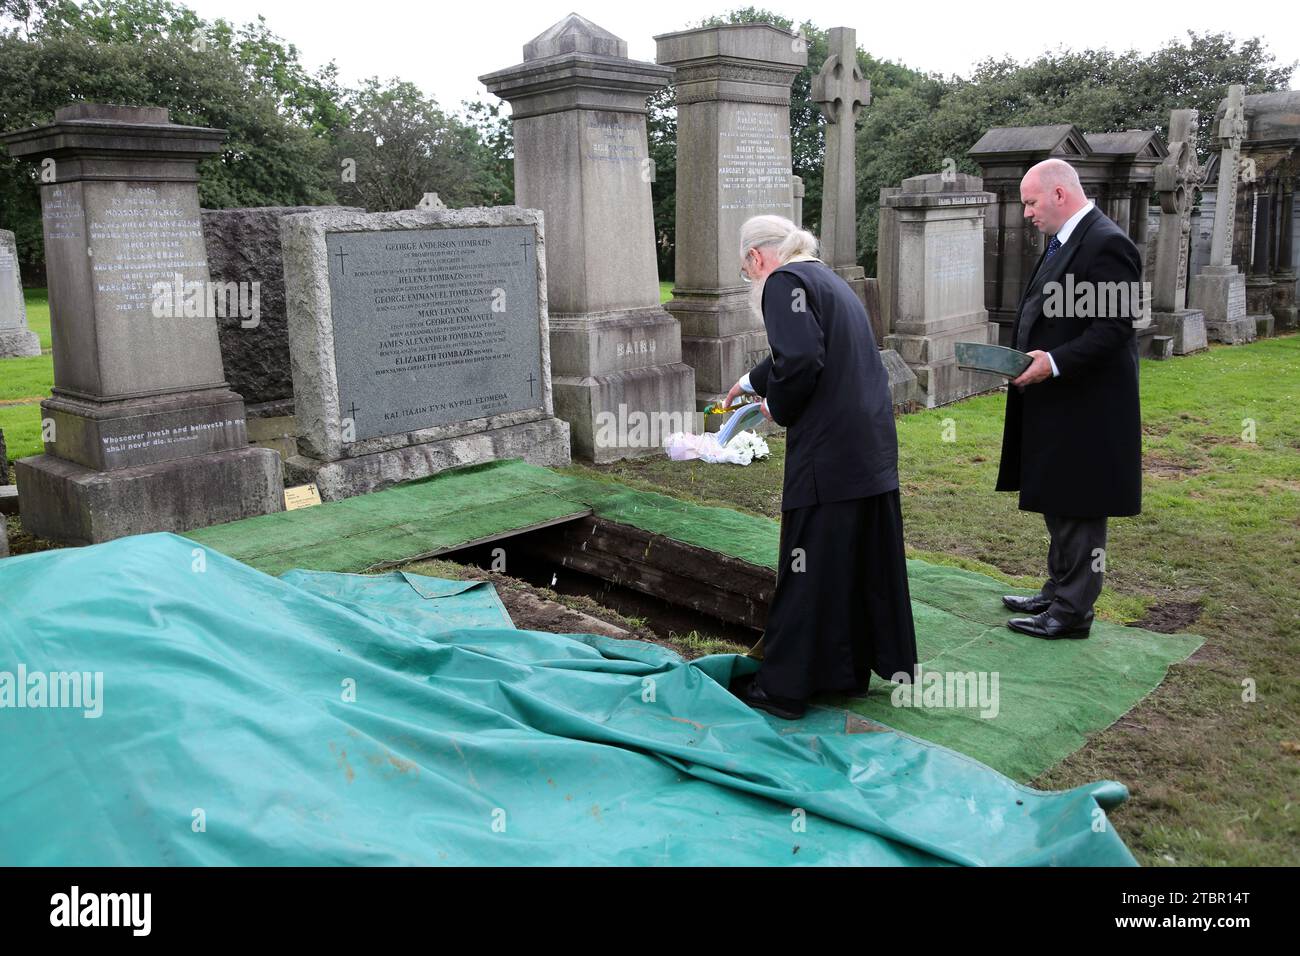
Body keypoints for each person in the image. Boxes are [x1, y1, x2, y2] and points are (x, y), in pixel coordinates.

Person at [721, 215, 917, 720]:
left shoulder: (783, 281)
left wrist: (775, 407)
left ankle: (783, 688)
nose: (751, 281)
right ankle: (841, 673)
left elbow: (803, 358)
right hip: (866, 447)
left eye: (747, 271)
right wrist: (749, 381)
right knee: (847, 564)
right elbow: (812, 346)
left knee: (807, 566)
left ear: (757, 258)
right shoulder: (826, 277)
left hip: (829, 451)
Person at [997, 158, 1143, 639]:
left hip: (1087, 405)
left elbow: (1114, 328)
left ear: (1059, 194)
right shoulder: (1065, 240)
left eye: (1031, 203)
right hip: (1056, 401)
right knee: (1058, 496)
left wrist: (1053, 362)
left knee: (1079, 502)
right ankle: (1058, 588)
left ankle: (1073, 612)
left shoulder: (1106, 244)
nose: (1027, 214)